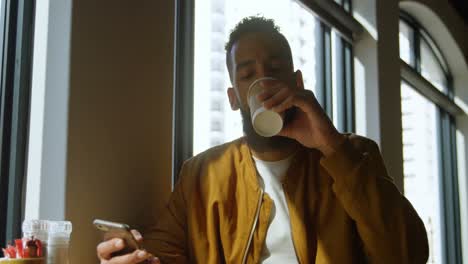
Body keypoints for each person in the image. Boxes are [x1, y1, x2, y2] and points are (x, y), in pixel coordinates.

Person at [97, 16, 429, 264]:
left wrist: (330, 144)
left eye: (274, 68)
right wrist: (130, 256)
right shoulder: (201, 174)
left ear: (296, 82)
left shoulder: (352, 155)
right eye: (247, 74)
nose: (263, 81)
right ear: (233, 97)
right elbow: (163, 254)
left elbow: (407, 254)